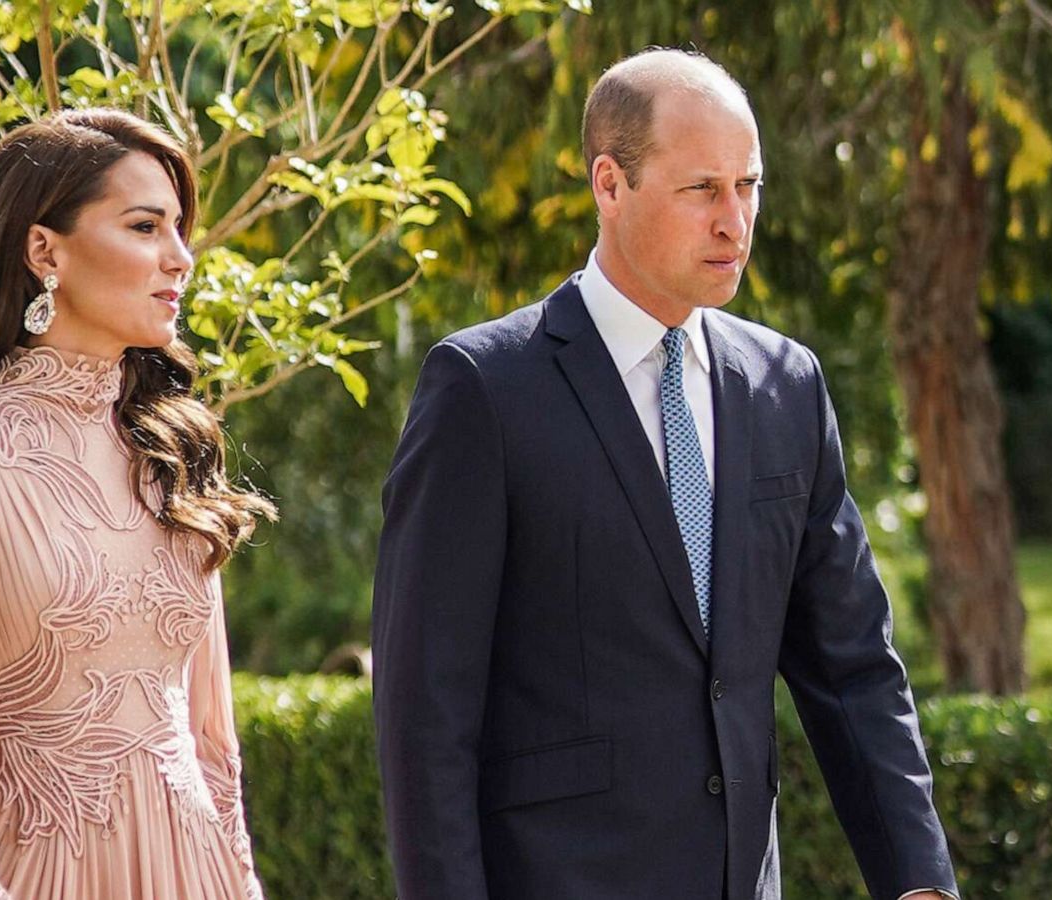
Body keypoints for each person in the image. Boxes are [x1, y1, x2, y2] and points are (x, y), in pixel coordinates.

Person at [372, 48, 959, 900]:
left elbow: (853, 664)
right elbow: (425, 714)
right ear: (610, 185)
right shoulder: (485, 391)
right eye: (703, 190)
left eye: (749, 185)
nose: (736, 220)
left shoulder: (785, 385)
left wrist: (920, 883)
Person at [0, 108, 273, 900]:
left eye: (180, 229)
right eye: (146, 226)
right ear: (45, 249)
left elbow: (212, 744)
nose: (180, 258)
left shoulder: (170, 454)